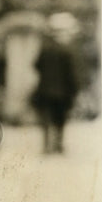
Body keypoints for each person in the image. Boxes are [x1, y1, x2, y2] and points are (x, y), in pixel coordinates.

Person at [32, 12, 79, 154]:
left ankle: (46, 146)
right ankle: (58, 146)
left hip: (44, 90)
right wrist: (75, 90)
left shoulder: (44, 49)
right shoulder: (67, 51)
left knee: (46, 119)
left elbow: (36, 65)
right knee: (60, 119)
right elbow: (71, 74)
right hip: (62, 92)